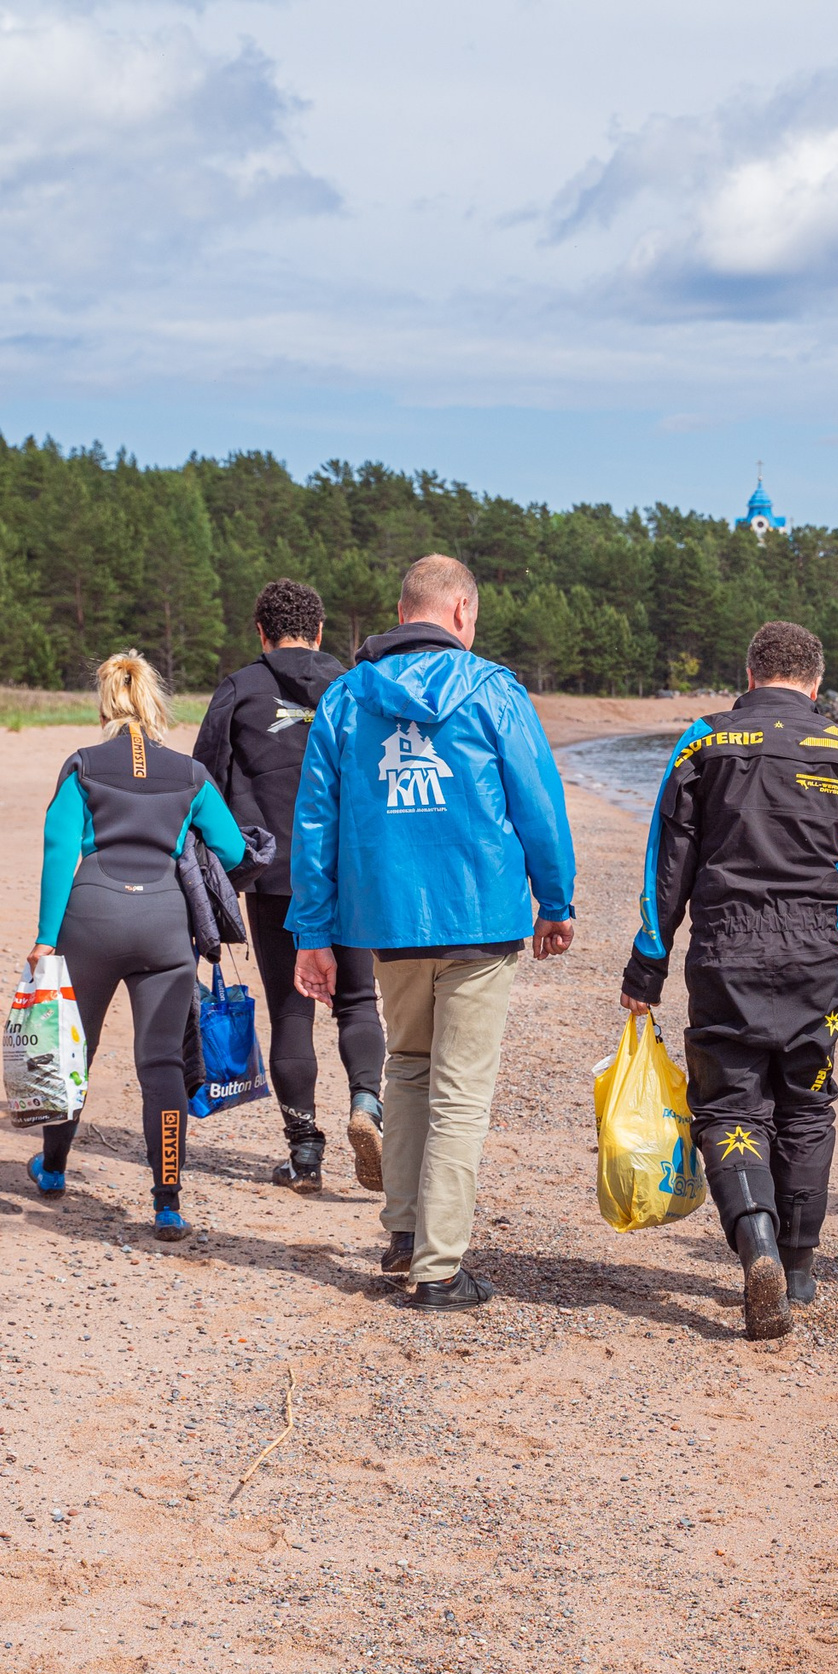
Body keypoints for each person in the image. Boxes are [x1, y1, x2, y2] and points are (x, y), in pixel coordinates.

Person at [288, 555, 578, 1312]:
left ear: (401, 609)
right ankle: (439, 1268)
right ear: (460, 613)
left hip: (389, 920)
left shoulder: (347, 698)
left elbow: (314, 821)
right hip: (479, 914)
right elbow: (538, 804)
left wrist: (312, 932)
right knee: (459, 1090)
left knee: (409, 1067)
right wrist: (556, 899)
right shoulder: (493, 691)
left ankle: (406, 1236)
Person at [621, 621, 838, 1340]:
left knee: (728, 1108)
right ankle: (800, 1268)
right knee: (809, 1106)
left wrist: (646, 966)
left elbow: (667, 864)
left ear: (750, 676)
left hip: (726, 954)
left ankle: (755, 1242)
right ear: (816, 683)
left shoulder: (703, 743)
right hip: (815, 960)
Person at [25, 652, 250, 1242]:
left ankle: (52, 1170)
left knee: (74, 1053)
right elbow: (229, 850)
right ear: (155, 703)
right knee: (161, 1065)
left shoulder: (83, 766)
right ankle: (167, 1201)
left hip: (91, 918)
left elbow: (57, 849)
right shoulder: (190, 773)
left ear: (105, 703)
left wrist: (46, 939)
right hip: (162, 924)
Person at [193, 578, 388, 1194]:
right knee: (358, 1000)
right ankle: (366, 1104)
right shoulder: (353, 688)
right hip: (350, 870)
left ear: (260, 632)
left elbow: (205, 782)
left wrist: (218, 868)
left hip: (274, 874)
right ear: (321, 632)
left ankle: (305, 1152)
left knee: (291, 1010)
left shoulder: (239, 688)